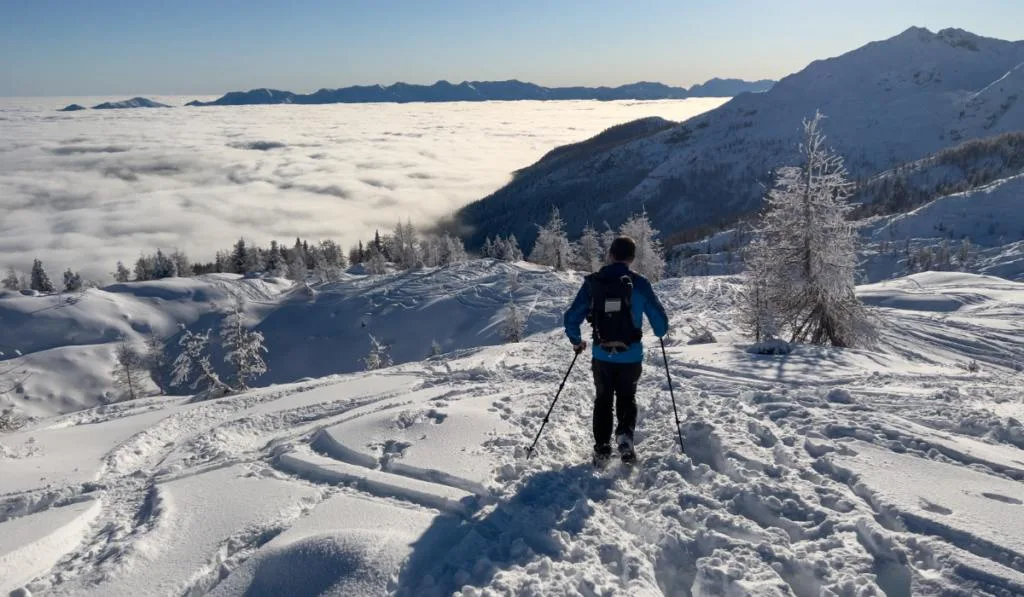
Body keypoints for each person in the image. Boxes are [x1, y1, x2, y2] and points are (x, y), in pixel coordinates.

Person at [563, 236, 669, 465]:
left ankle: (602, 448)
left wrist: (576, 340)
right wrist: (659, 332)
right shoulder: (639, 283)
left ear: (610, 254)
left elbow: (572, 317)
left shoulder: (594, 283)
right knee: (627, 397)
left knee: (603, 399)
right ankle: (624, 437)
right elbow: (660, 324)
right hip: (631, 356)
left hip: (602, 355)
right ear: (631, 258)